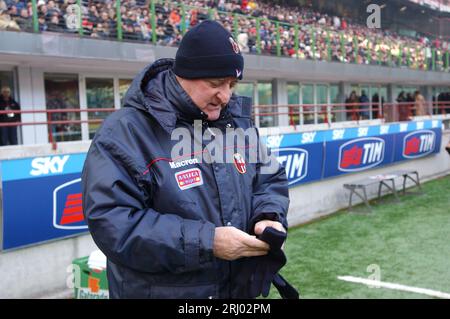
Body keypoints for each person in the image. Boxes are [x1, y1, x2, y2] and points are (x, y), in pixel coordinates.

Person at [82, 20, 292, 299]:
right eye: (216, 83)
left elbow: (268, 178)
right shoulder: (124, 132)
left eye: (231, 84)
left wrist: (267, 216)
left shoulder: (237, 124)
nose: (226, 96)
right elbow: (114, 223)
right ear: (184, 76)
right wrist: (208, 242)